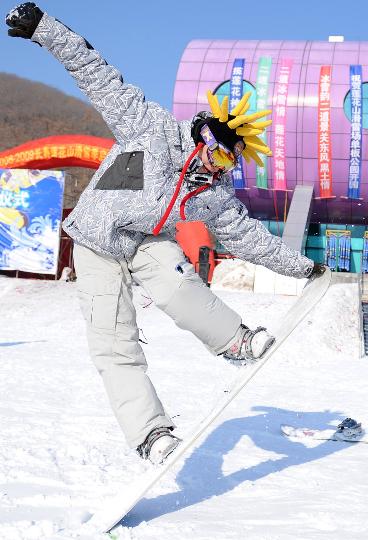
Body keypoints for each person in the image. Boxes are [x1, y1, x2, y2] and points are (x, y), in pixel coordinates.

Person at [6, 3, 325, 465]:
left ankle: (233, 340)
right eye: (219, 157)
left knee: (179, 282)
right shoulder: (148, 129)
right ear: (204, 139)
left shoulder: (211, 194)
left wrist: (302, 267)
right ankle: (151, 434)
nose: (219, 170)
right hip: (96, 243)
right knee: (114, 339)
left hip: (143, 242)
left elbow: (248, 238)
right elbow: (96, 73)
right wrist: (44, 29)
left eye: (230, 165)